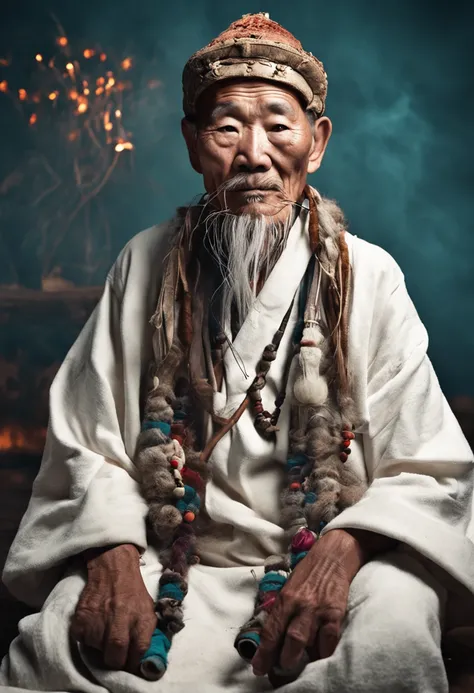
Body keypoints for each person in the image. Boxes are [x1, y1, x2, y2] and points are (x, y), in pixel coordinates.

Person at [1, 12, 473, 693]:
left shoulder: (367, 275)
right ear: (194, 145)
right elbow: (87, 442)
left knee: (393, 633)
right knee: (51, 641)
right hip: (167, 563)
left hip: (324, 557)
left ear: (317, 143)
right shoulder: (145, 261)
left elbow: (429, 467)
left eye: (279, 124)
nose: (254, 152)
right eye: (227, 127)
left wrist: (340, 554)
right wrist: (111, 555)